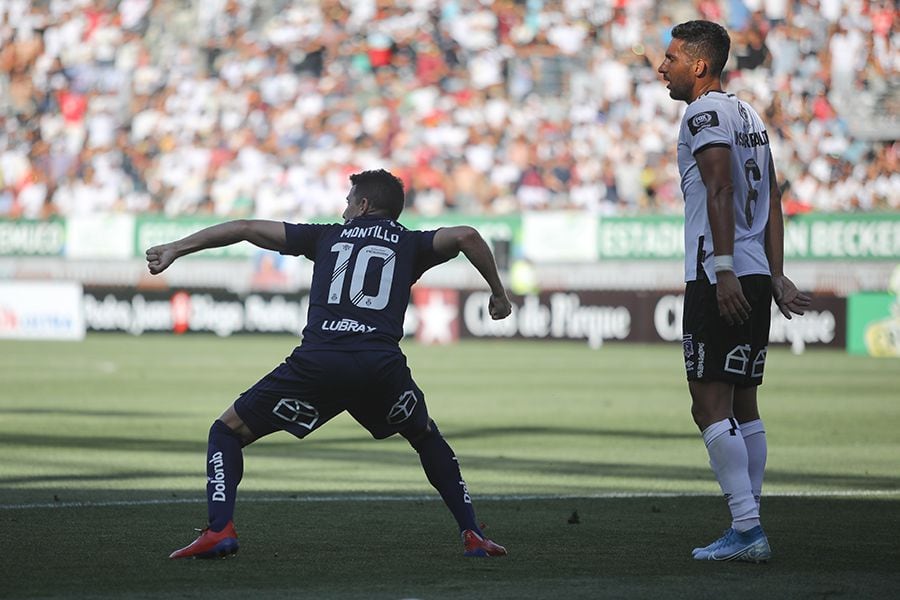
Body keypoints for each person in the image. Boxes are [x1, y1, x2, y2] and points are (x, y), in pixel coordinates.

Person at [146, 169, 513, 559]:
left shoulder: (324, 236)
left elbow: (244, 227)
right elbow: (467, 236)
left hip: (319, 362)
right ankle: (473, 534)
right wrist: (498, 294)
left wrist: (176, 248)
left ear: (363, 205)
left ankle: (220, 530)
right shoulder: (410, 243)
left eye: (348, 201)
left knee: (226, 431)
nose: (342, 210)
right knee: (425, 437)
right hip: (380, 366)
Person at [657, 21, 811, 562]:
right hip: (750, 270)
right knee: (744, 402)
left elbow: (721, 187)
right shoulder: (748, 114)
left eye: (671, 58)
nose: (662, 68)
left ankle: (746, 529)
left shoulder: (702, 113)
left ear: (699, 66)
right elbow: (771, 199)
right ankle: (751, 522)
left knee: (708, 405)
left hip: (717, 272)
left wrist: (723, 270)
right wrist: (774, 273)